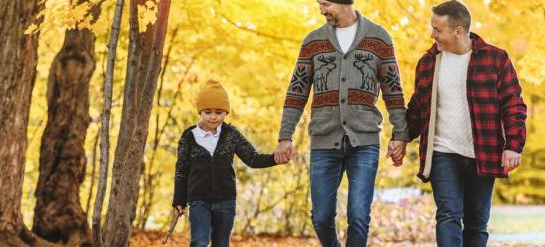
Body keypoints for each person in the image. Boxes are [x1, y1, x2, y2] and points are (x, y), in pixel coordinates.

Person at [274, 0, 409, 246]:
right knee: (321, 217)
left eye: (325, 4)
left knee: (358, 217)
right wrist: (285, 136)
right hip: (324, 139)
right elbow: (297, 91)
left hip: (365, 140)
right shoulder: (313, 41)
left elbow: (393, 89)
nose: (321, 10)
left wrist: (401, 134)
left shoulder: (379, 38)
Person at [404, 1, 528, 246]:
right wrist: (400, 137)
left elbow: (513, 105)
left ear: (458, 31)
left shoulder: (496, 59)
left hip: (482, 152)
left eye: (438, 30)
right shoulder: (429, 62)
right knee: (448, 214)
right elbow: (417, 109)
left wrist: (513, 145)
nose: (432, 34)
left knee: (476, 222)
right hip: (442, 152)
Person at [172, 79, 286, 247]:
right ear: (200, 111)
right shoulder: (189, 137)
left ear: (226, 112)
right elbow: (181, 170)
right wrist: (179, 200)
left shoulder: (231, 134)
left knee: (221, 243)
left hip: (226, 200)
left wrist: (275, 158)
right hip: (198, 200)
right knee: (200, 241)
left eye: (219, 112)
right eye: (208, 111)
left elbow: (252, 158)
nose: (213, 116)